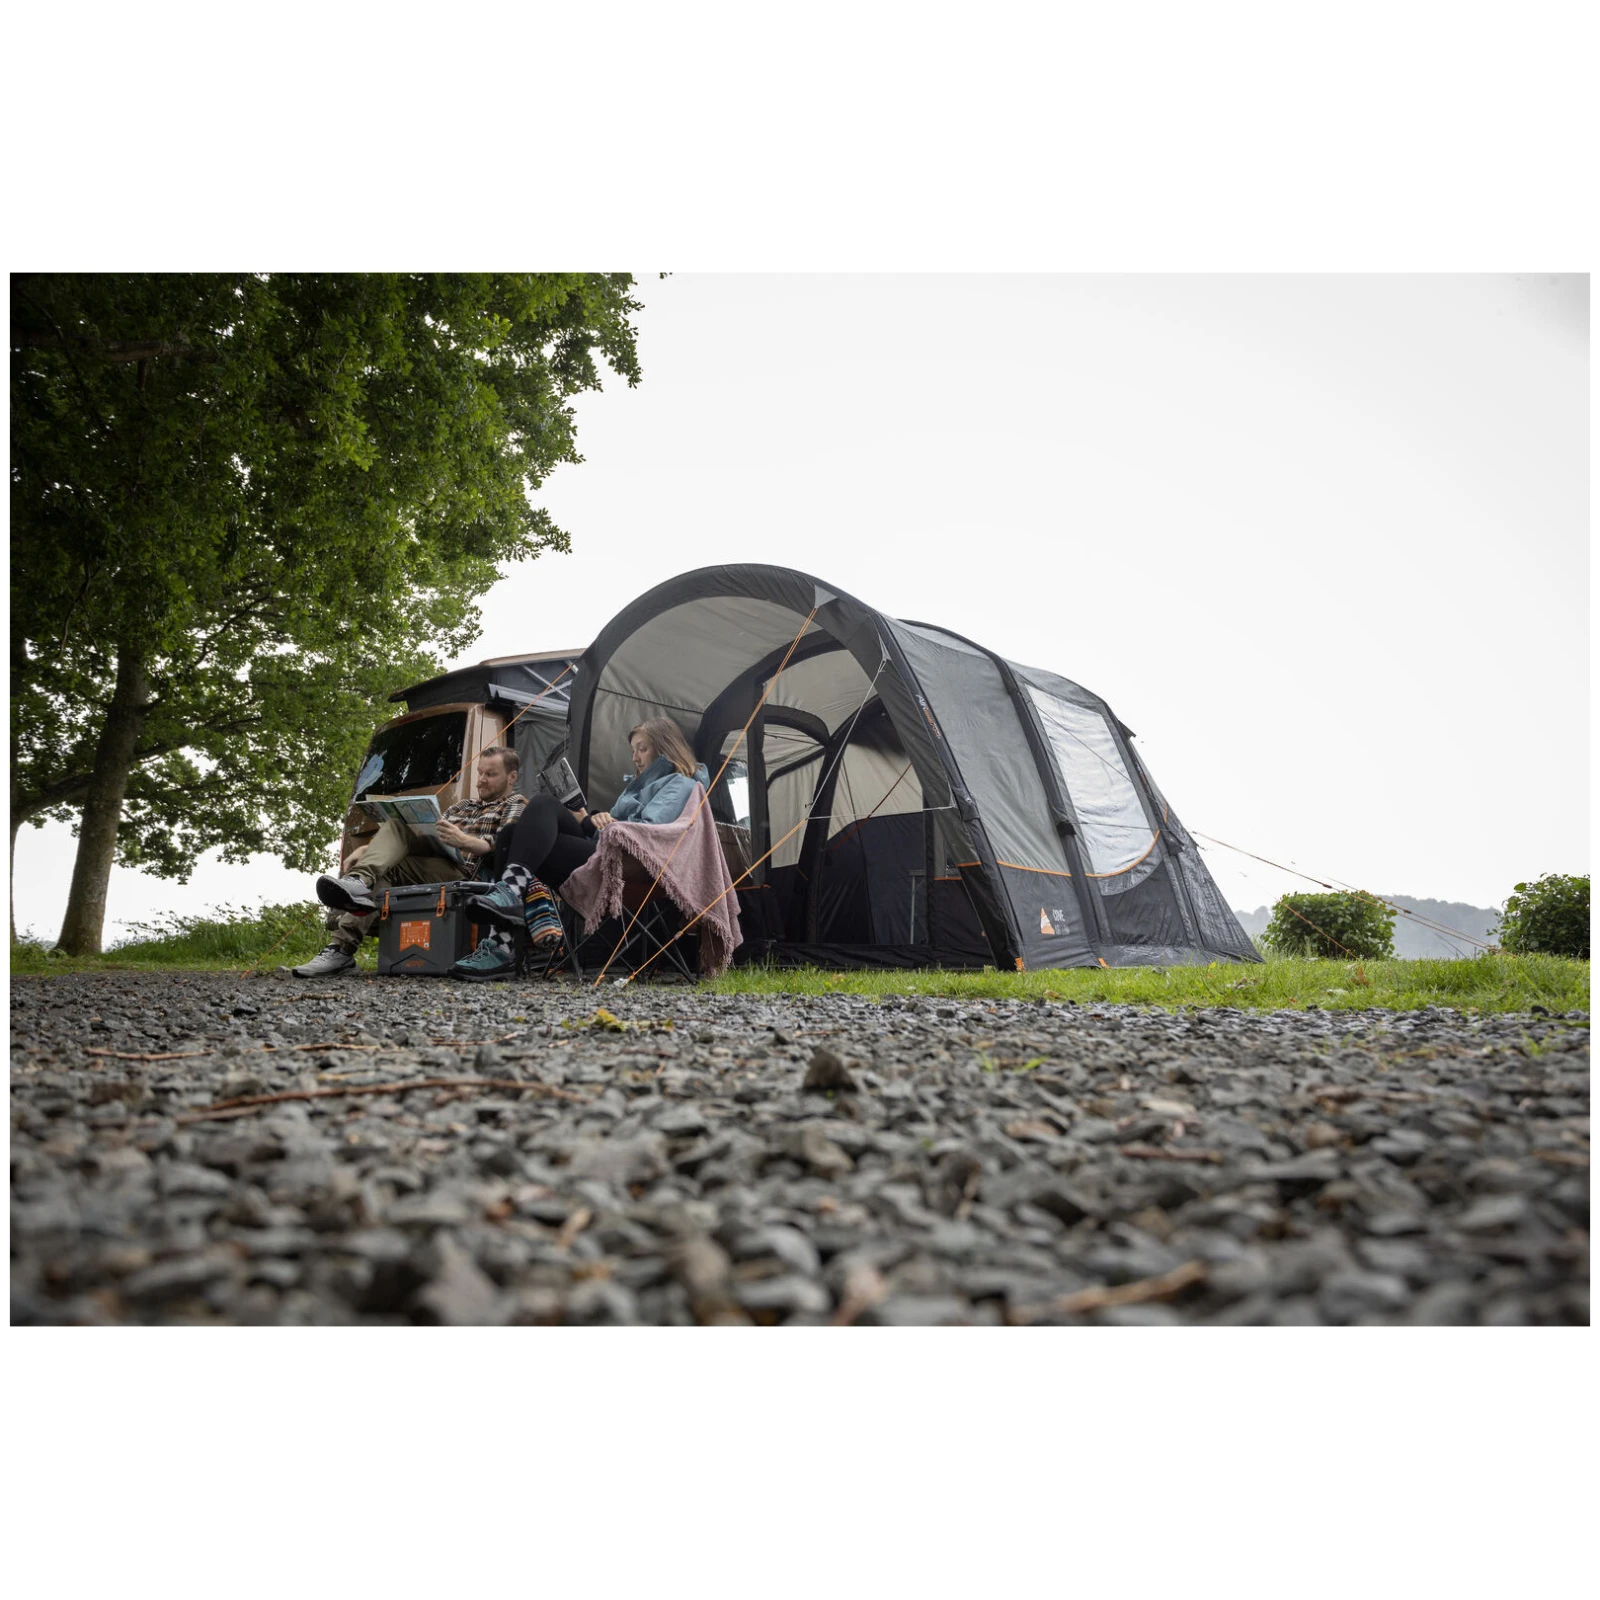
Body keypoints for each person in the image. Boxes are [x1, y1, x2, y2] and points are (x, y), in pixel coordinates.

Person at [451, 717, 710, 980]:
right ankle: (504, 924)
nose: (635, 757)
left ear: (664, 747)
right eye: (633, 750)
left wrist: (599, 823)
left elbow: (647, 836)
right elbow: (618, 830)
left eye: (642, 749)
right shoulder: (640, 785)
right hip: (608, 851)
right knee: (514, 830)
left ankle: (501, 943)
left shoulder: (681, 784)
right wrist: (591, 820)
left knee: (539, 807)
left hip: (630, 867)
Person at [292, 745, 527, 977]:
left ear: (512, 777)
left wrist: (465, 841)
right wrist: (366, 849)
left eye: (490, 774)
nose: (481, 780)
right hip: (436, 860)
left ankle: (342, 948)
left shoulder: (515, 803)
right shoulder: (462, 806)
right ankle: (356, 890)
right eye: (480, 773)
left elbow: (505, 844)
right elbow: (428, 837)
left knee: (390, 869)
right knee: (395, 827)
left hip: (468, 875)